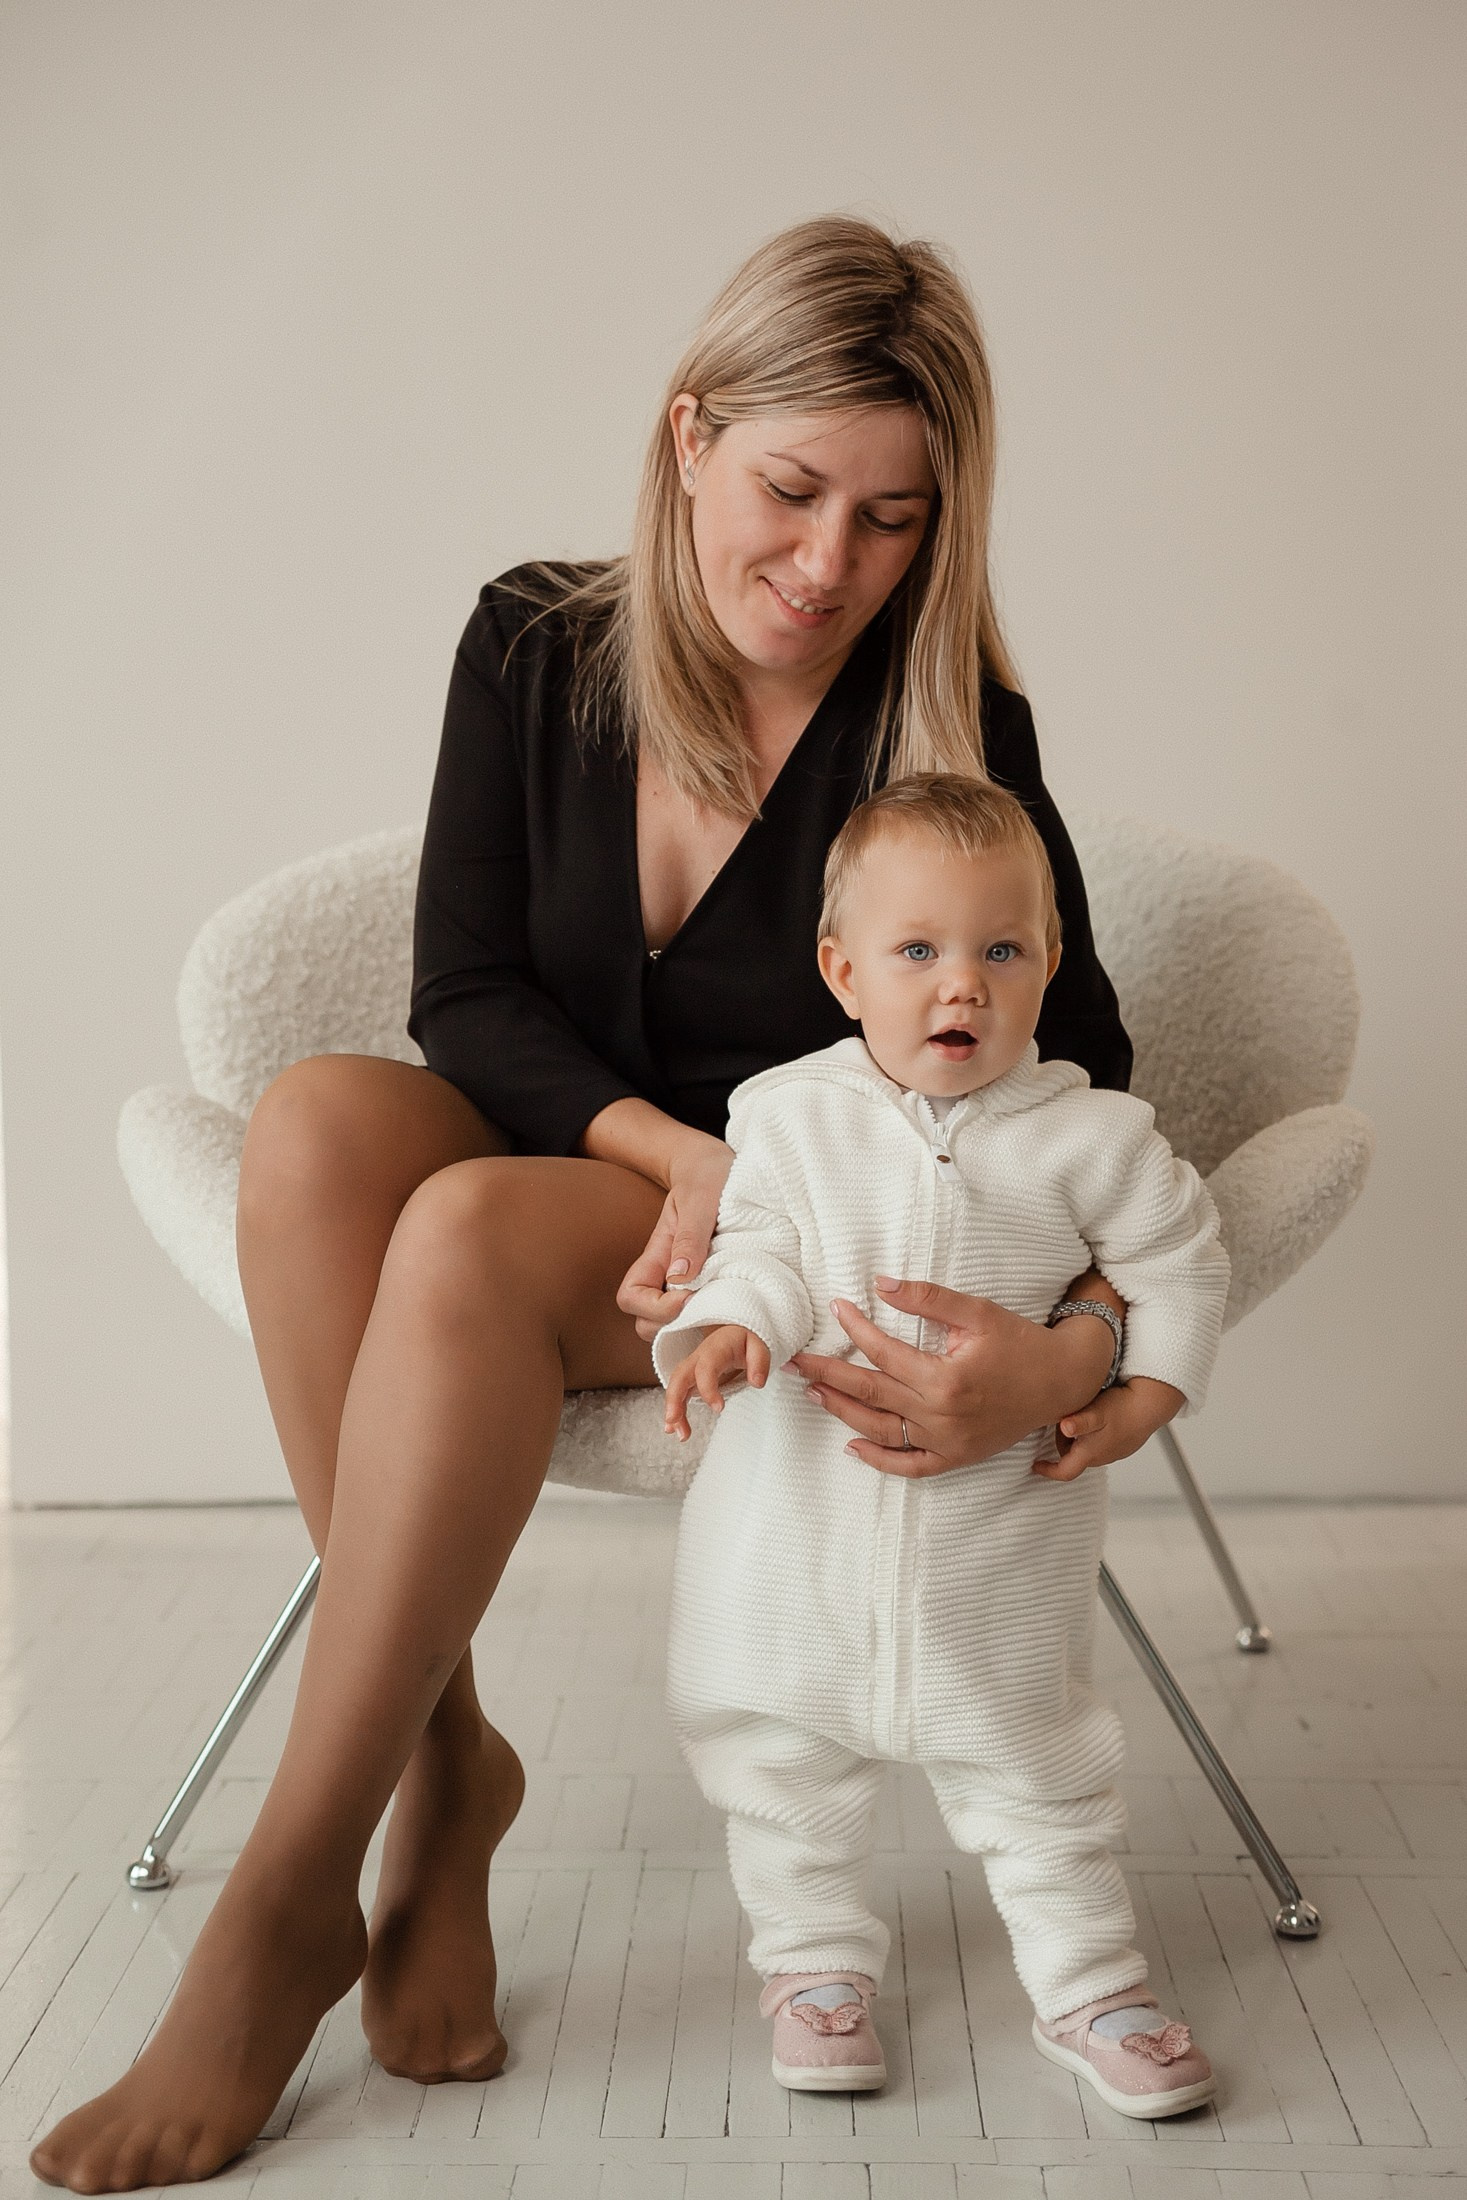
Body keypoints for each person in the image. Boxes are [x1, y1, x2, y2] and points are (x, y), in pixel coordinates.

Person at [32, 216, 1177, 2191]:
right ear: (688, 435)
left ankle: (286, 1900)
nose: (827, 564)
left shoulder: (944, 726)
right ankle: (445, 1773)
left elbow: (1081, 1062)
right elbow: (462, 990)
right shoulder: (533, 641)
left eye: (893, 519)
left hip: (783, 1241)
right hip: (627, 1171)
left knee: (464, 1233)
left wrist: (1069, 1344)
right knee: (315, 1125)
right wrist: (669, 1146)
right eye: (791, 489)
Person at [657, 774, 1227, 2117]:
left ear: (1051, 965)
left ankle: (1092, 1987)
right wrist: (728, 1328)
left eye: (1001, 950)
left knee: (1041, 1771)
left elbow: (1181, 1264)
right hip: (801, 1526)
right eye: (917, 950)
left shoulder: (1096, 1137)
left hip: (1000, 1536)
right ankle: (812, 1970)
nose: (961, 984)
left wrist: (1147, 1395)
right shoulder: (788, 1114)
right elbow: (762, 1247)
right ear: (843, 971)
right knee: (781, 1766)